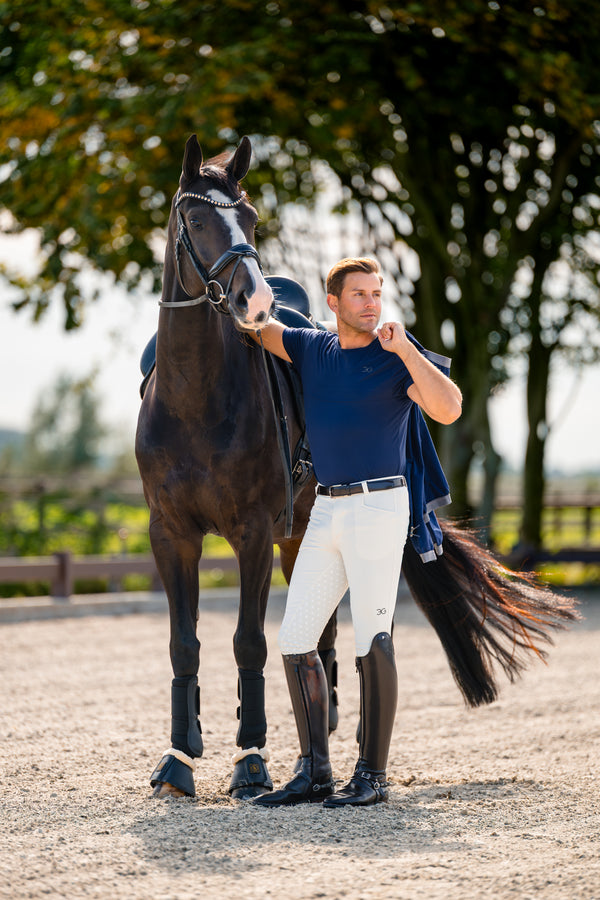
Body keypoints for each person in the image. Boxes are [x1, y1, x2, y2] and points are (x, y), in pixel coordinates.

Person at [251, 257, 462, 808]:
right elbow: (258, 325)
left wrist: (407, 351)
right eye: (360, 294)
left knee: (374, 638)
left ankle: (372, 775)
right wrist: (237, 296)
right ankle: (314, 771)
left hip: (379, 509)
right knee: (296, 640)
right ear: (334, 303)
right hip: (325, 511)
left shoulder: (396, 359)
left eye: (377, 293)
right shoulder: (312, 350)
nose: (372, 302)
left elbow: (449, 408)